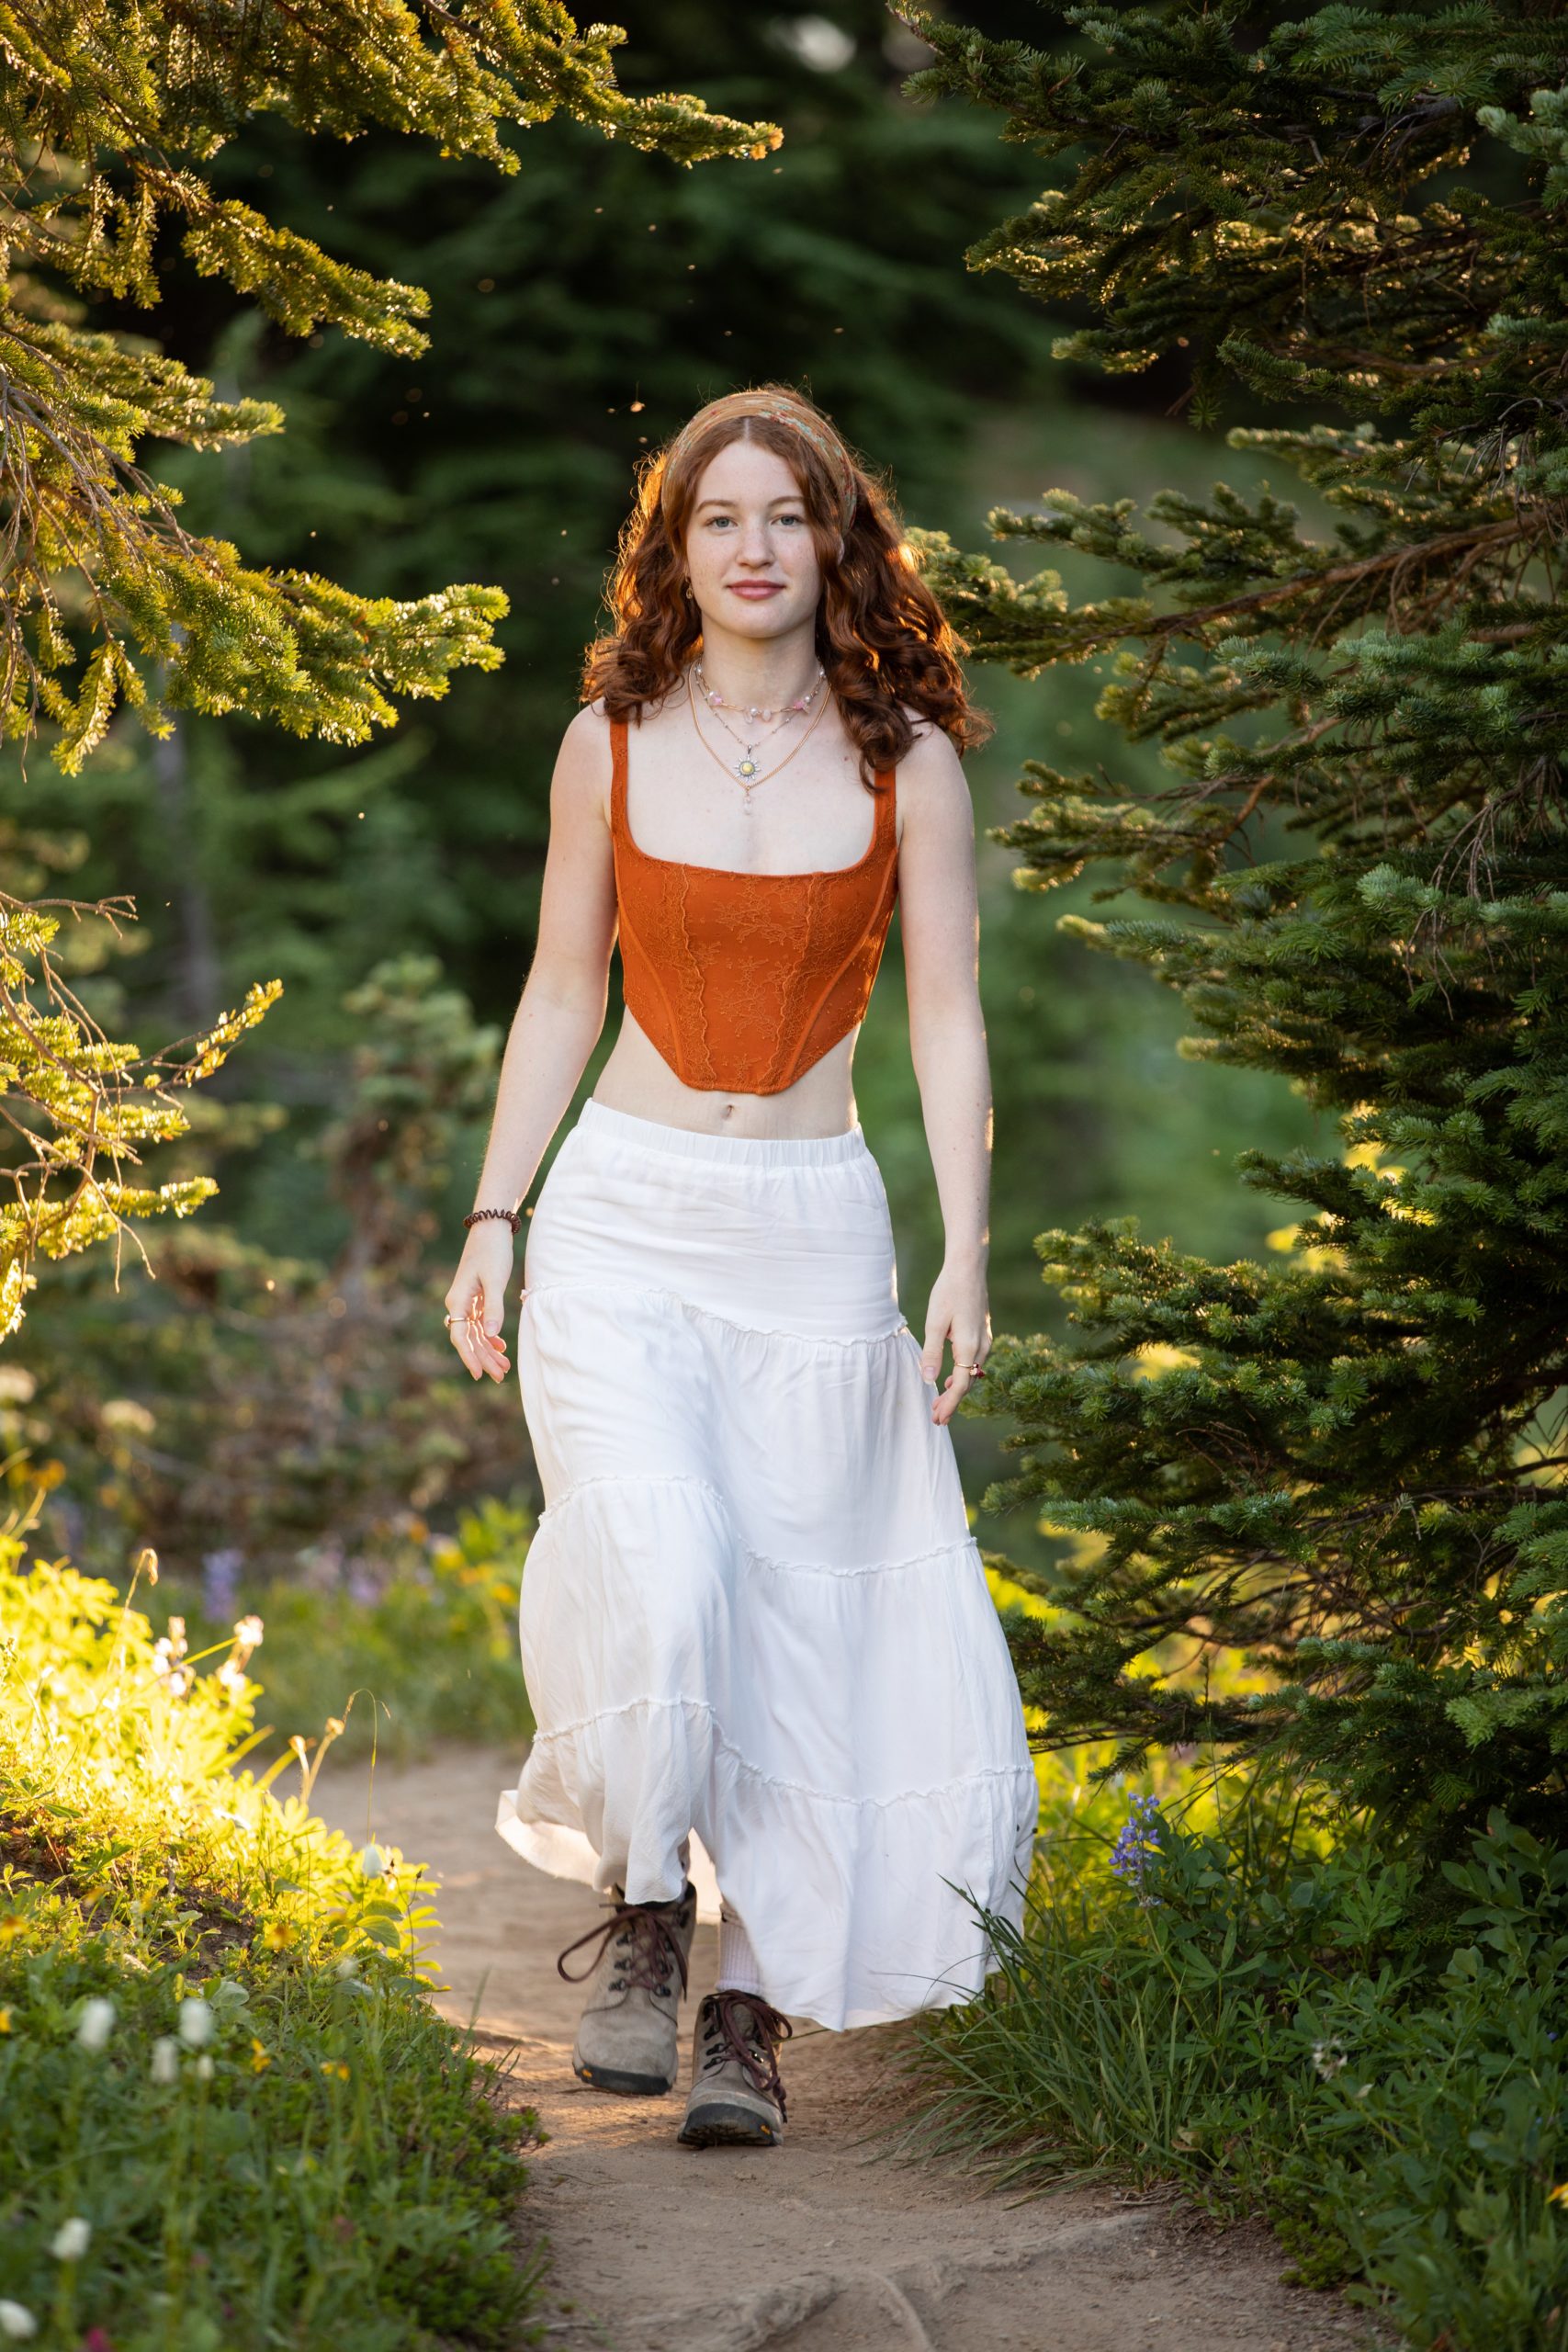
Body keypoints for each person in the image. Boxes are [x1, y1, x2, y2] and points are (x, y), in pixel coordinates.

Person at [445, 385, 1035, 2151]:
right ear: (675, 548)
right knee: (670, 1561)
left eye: (788, 517)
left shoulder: (906, 761)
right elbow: (562, 988)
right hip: (620, 1215)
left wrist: (965, 1251)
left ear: (835, 539)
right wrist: (499, 1210)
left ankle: (748, 2020)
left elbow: (946, 1017)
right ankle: (643, 1910)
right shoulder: (607, 740)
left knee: (799, 1633)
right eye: (722, 519)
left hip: (814, 1239)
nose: (756, 548)